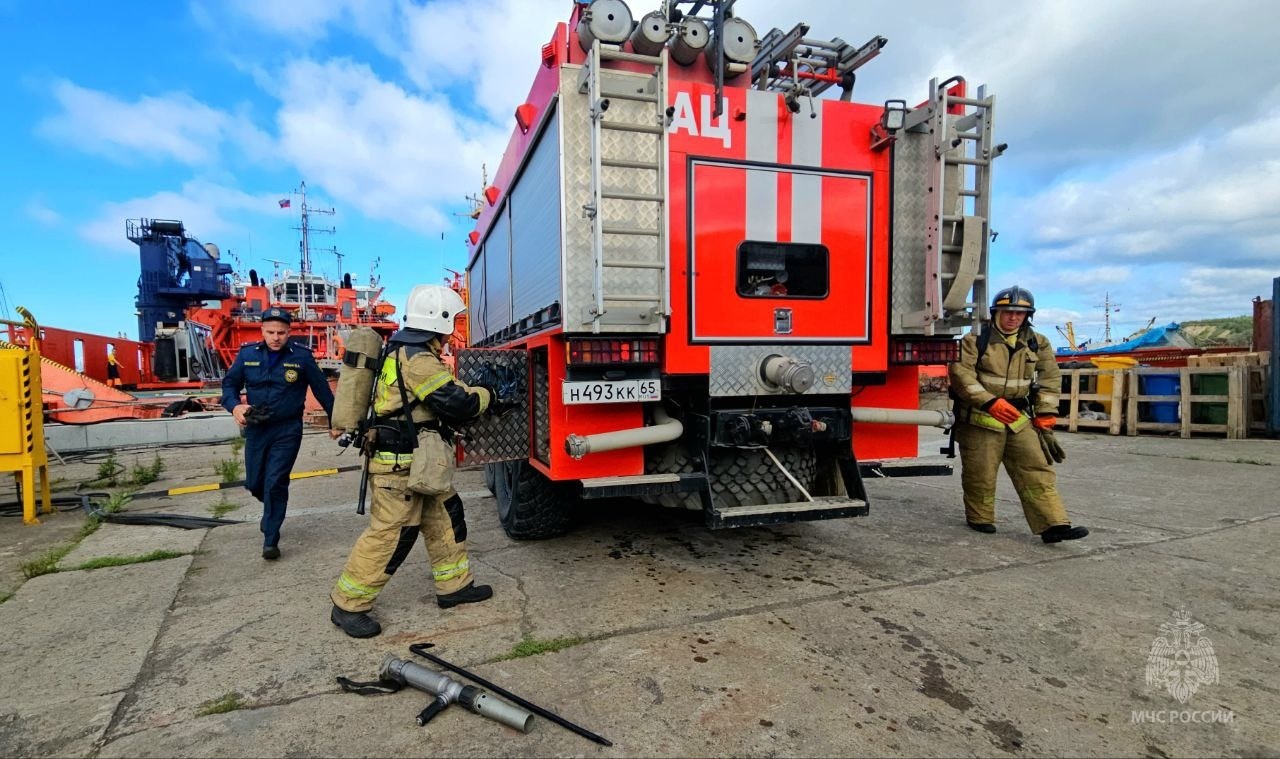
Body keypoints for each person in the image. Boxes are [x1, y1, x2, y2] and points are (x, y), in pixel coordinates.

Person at [328, 284, 498, 638]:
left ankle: (455, 588)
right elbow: (455, 403)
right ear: (442, 321)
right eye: (454, 322)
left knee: (445, 518)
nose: (454, 333)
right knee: (392, 534)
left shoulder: (405, 350)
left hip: (418, 460)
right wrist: (490, 395)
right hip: (399, 465)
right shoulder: (417, 358)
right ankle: (348, 605)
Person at [947, 286, 1089, 544]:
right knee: (981, 472)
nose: (1013, 317)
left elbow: (1050, 378)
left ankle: (1053, 525)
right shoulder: (975, 340)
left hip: (1017, 418)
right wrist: (989, 402)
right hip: (980, 418)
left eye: (1019, 313)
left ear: (1028, 316)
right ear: (995, 313)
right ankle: (980, 517)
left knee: (1036, 467)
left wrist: (1046, 412)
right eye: (1007, 312)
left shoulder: (1038, 342)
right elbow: (961, 375)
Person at [220, 307, 334, 560]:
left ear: (289, 332)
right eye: (270, 332)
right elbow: (229, 384)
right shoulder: (247, 354)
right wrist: (235, 406)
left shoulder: (302, 358)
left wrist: (335, 422)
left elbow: (322, 391)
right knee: (254, 483)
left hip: (287, 429)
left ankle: (271, 537)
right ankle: (271, 509)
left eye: (281, 333)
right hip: (257, 428)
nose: (275, 337)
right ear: (262, 331)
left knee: (275, 482)